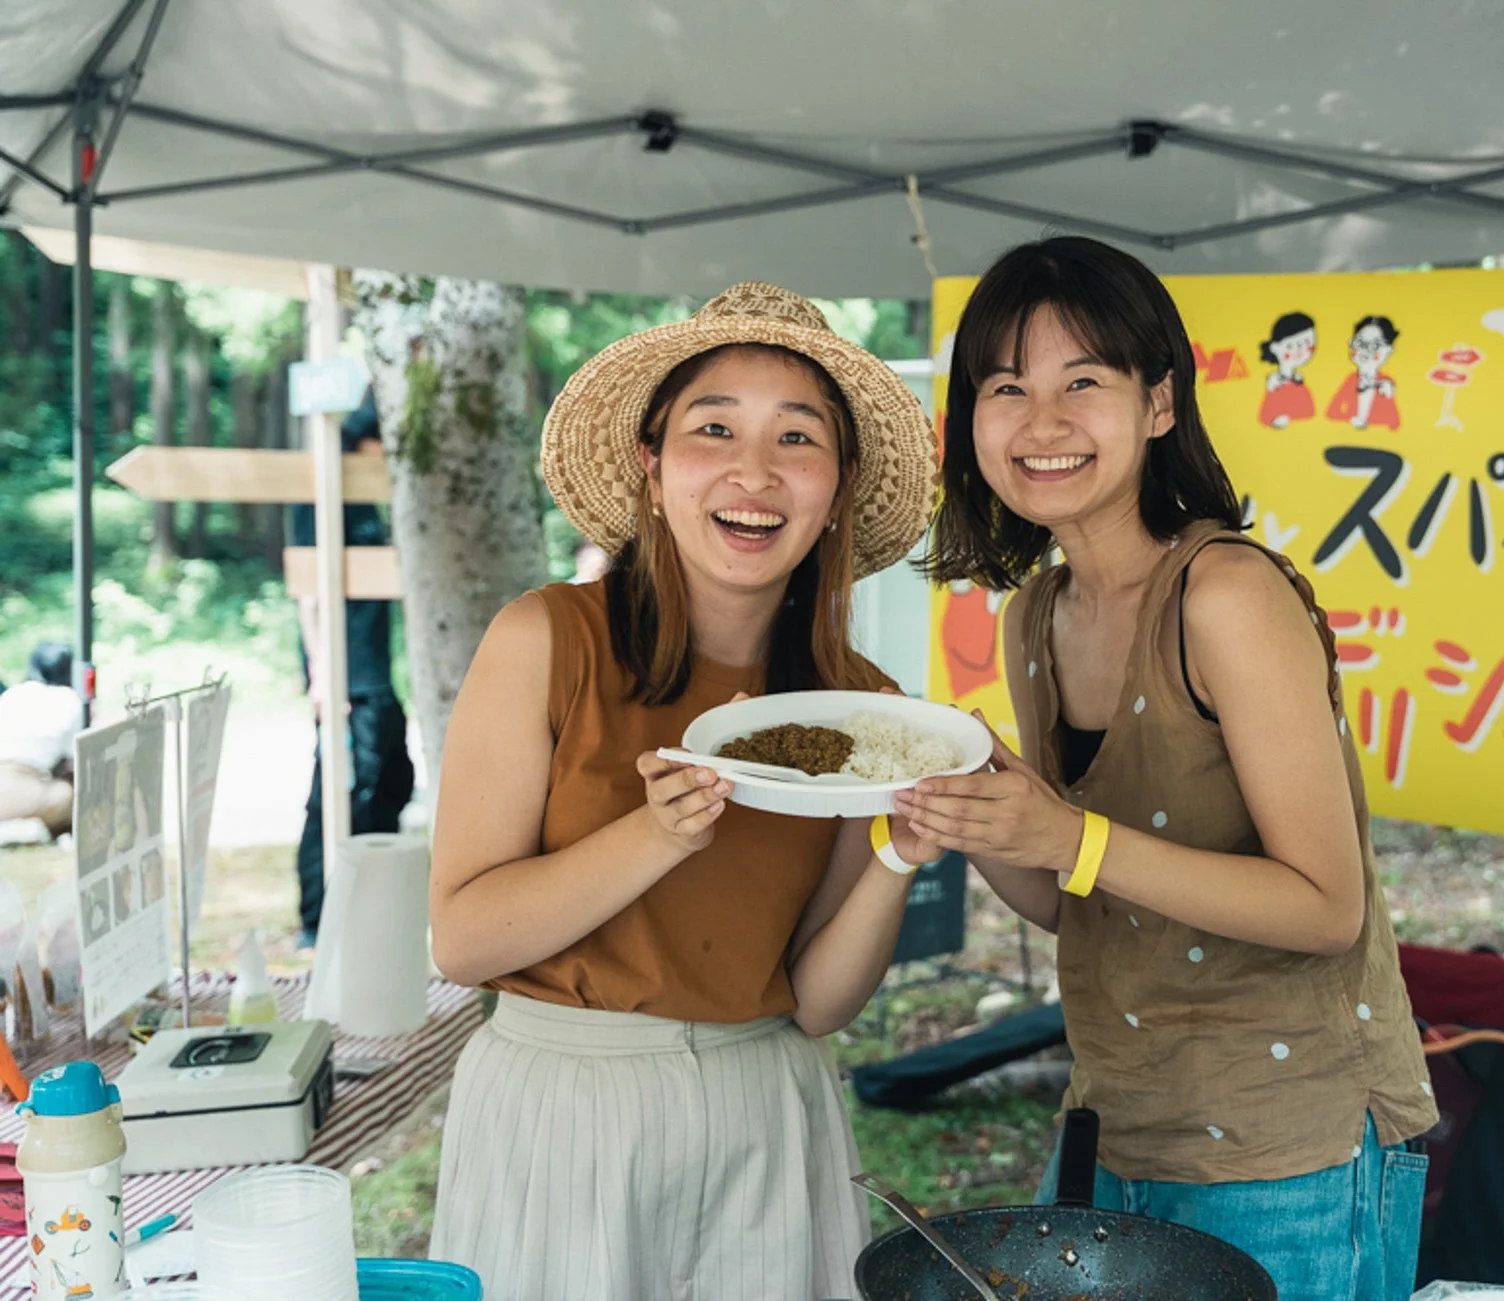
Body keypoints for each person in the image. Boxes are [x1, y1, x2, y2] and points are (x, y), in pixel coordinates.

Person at [908, 237, 1437, 1301]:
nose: (1042, 422)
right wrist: (966, 803)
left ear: (1159, 404)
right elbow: (1084, 899)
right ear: (970, 420)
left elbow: (1327, 904)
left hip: (1290, 1148)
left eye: (1083, 383)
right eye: (1006, 386)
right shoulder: (1038, 613)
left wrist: (1069, 834)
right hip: (1122, 1122)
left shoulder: (1225, 594)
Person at [426, 283, 939, 1301]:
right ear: (651, 468)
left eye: (799, 438)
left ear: (836, 489)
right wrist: (654, 834)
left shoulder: (864, 706)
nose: (756, 472)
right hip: (563, 1105)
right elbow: (463, 939)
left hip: (769, 1104)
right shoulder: (545, 637)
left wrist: (900, 852)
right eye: (716, 428)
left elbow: (818, 1000)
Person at [289, 388, 415, 947]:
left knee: (394, 781)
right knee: (340, 794)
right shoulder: (322, 495)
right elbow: (308, 595)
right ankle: (318, 922)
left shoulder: (366, 498)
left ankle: (367, 901)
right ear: (363, 442)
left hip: (375, 675)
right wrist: (321, 672)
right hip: (346, 679)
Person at [0, 641, 84, 839]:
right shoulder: (69, 699)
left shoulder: (14, 693)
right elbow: (73, 761)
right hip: (25, 786)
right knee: (69, 794)